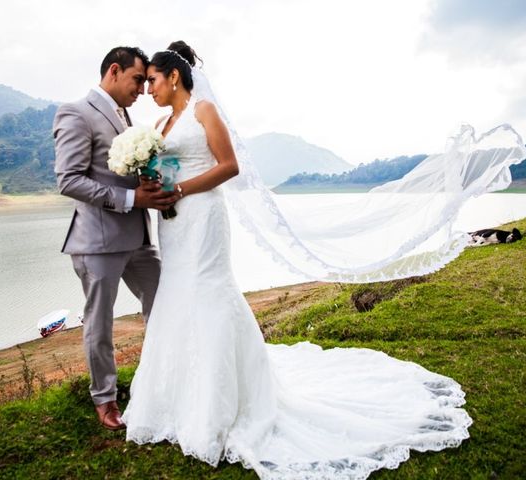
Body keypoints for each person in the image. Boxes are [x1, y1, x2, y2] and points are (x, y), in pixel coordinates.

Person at [121, 41, 472, 479]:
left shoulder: (203, 111)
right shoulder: (160, 122)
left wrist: (184, 190)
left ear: (174, 77)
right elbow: (163, 167)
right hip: (172, 223)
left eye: (152, 80)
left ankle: (221, 404)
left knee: (208, 292)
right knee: (176, 295)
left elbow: (230, 167)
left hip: (203, 216)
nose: (148, 88)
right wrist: (154, 185)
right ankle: (172, 399)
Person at [53, 46, 178, 431]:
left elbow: (120, 171)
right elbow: (69, 180)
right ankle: (104, 400)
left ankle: (167, 380)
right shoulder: (75, 112)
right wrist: (129, 197)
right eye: (137, 79)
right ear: (113, 71)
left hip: (139, 237)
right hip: (98, 241)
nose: (142, 89)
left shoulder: (125, 116)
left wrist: (146, 185)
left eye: (145, 82)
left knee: (167, 302)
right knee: (99, 323)